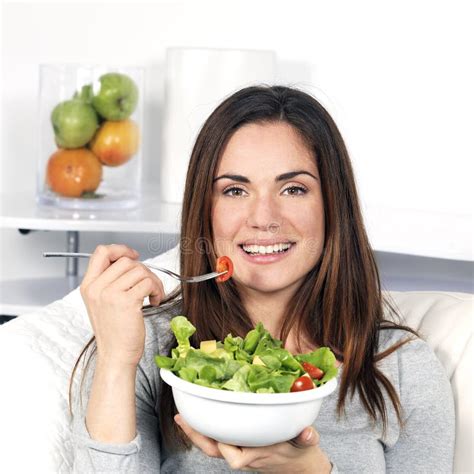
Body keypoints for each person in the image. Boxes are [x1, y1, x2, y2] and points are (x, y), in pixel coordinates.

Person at [70, 85, 455, 473]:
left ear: (333, 206)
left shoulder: (401, 367)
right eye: (235, 190)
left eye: (293, 189)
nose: (263, 217)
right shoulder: (143, 349)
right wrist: (117, 361)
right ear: (205, 211)